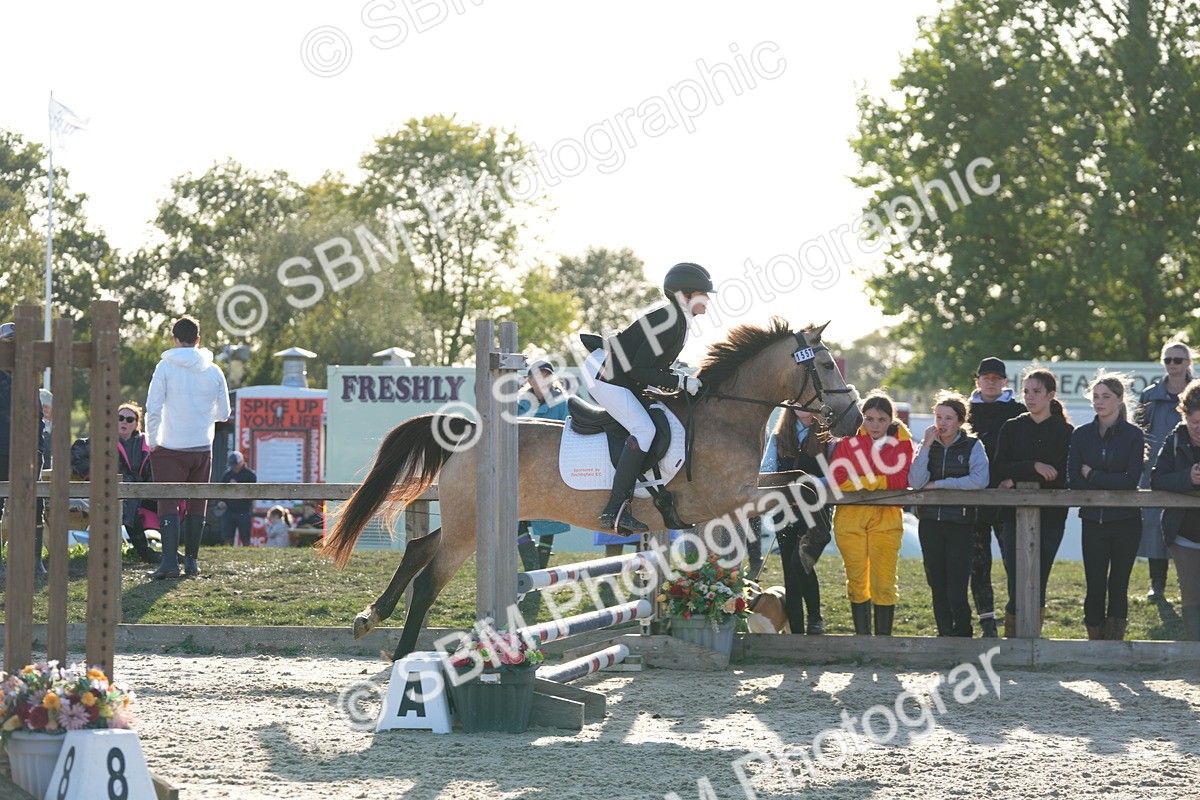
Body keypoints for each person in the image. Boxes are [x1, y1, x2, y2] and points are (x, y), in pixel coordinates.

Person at [580, 262, 713, 533]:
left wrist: (676, 377)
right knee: (644, 428)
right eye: (703, 294)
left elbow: (649, 367)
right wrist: (679, 381)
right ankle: (614, 508)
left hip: (617, 373)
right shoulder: (672, 320)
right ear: (686, 296)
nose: (708, 300)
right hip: (605, 375)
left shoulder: (678, 320)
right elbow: (639, 369)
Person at [145, 317, 231, 579]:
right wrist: (203, 416)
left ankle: (169, 561)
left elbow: (153, 406)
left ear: (174, 338)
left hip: (169, 445)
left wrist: (152, 441)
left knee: (168, 502)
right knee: (198, 502)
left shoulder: (165, 367)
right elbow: (225, 413)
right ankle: (192, 561)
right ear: (198, 339)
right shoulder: (214, 370)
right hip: (202, 446)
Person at [992, 367, 1073, 637]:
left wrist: (1016, 474)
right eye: (1026, 391)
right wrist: (1033, 466)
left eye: (1036, 391)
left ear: (1051, 394)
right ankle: (1013, 639)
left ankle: (1032, 640)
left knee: (1039, 576)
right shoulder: (1012, 427)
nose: (1030, 397)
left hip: (1051, 517)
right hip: (1012, 515)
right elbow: (999, 468)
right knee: (1016, 577)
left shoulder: (1066, 432)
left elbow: (1060, 476)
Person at [828, 391, 914, 636]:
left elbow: (901, 479)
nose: (875, 425)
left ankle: (883, 642)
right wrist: (878, 480)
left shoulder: (903, 443)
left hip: (887, 519)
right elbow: (838, 480)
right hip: (849, 520)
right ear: (862, 417)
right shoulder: (847, 442)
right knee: (856, 580)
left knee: (884, 582)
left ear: (891, 419)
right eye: (870, 418)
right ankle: (862, 641)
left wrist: (864, 481)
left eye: (882, 419)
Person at [1068, 374, 1145, 640]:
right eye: (1096, 396)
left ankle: (1114, 643)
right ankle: (1094, 640)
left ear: (1120, 399)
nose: (1099, 401)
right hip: (1093, 521)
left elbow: (1130, 480)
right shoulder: (1081, 434)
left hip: (1127, 521)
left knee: (1119, 584)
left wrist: (1093, 475)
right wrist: (1100, 480)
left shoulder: (1134, 435)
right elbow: (1074, 480)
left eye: (1106, 396)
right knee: (1095, 584)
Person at [909, 391, 990, 637]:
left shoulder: (973, 446)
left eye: (948, 418)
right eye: (938, 417)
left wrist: (940, 484)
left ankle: (963, 630)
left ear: (960, 421)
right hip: (930, 521)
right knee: (936, 581)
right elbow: (916, 480)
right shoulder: (927, 445)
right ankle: (944, 631)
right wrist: (925, 447)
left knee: (957, 583)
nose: (942, 423)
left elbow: (979, 480)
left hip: (960, 522)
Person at [965, 357, 1027, 638]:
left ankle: (1017, 620)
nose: (990, 382)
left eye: (996, 377)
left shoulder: (1018, 411)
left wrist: (1014, 478)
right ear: (977, 380)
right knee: (977, 565)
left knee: (1014, 562)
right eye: (985, 377)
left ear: (1005, 382)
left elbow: (1027, 450)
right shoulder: (964, 411)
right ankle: (987, 622)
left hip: (1007, 497)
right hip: (972, 498)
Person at [758, 407, 833, 634]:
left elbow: (832, 476)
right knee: (789, 572)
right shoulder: (779, 435)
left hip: (815, 512)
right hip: (784, 510)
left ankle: (815, 618)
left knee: (800, 562)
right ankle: (797, 630)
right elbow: (767, 470)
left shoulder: (826, 436)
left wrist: (804, 482)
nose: (801, 406)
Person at [70, 402, 163, 564]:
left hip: (139, 492)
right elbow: (75, 454)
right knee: (125, 504)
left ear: (136, 424)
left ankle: (169, 551)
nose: (124, 422)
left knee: (171, 502)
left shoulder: (145, 444)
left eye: (129, 419)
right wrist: (94, 475)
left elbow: (152, 471)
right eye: (119, 418)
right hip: (110, 492)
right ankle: (143, 551)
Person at [1136, 341, 1193, 604]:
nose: (1172, 364)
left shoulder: (1198, 394)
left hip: (1192, 466)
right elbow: (1137, 432)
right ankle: (1157, 585)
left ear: (1188, 363)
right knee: (1154, 529)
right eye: (1168, 359)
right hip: (1157, 471)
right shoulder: (1149, 395)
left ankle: (1189, 589)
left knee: (1191, 527)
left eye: (1178, 359)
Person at [515, 360, 571, 619]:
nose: (543, 380)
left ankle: (537, 581)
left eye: (547, 376)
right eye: (538, 376)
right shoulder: (518, 403)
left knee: (548, 527)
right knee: (517, 524)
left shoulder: (565, 403)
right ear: (529, 380)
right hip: (522, 473)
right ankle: (533, 574)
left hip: (552, 474)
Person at [1150, 379, 1200, 641]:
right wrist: (1187, 478)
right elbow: (1156, 480)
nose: (1199, 429)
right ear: (1184, 416)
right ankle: (1195, 653)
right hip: (1184, 534)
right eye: (1195, 423)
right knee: (1191, 595)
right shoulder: (1174, 439)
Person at [0, 321, 49, 577]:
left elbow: (38, 415)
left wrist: (39, 449)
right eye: (8, 341)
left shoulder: (28, 372)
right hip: (1, 448)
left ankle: (34, 562)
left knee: (35, 506)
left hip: (28, 450)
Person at [217, 452, 257, 546]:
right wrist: (222, 502)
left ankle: (247, 555)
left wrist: (238, 487)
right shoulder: (226, 475)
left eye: (235, 465)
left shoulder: (250, 475)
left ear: (242, 462)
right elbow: (222, 491)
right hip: (229, 510)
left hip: (244, 510)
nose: (234, 467)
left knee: (245, 537)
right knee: (227, 537)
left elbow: (253, 493)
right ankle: (227, 555)